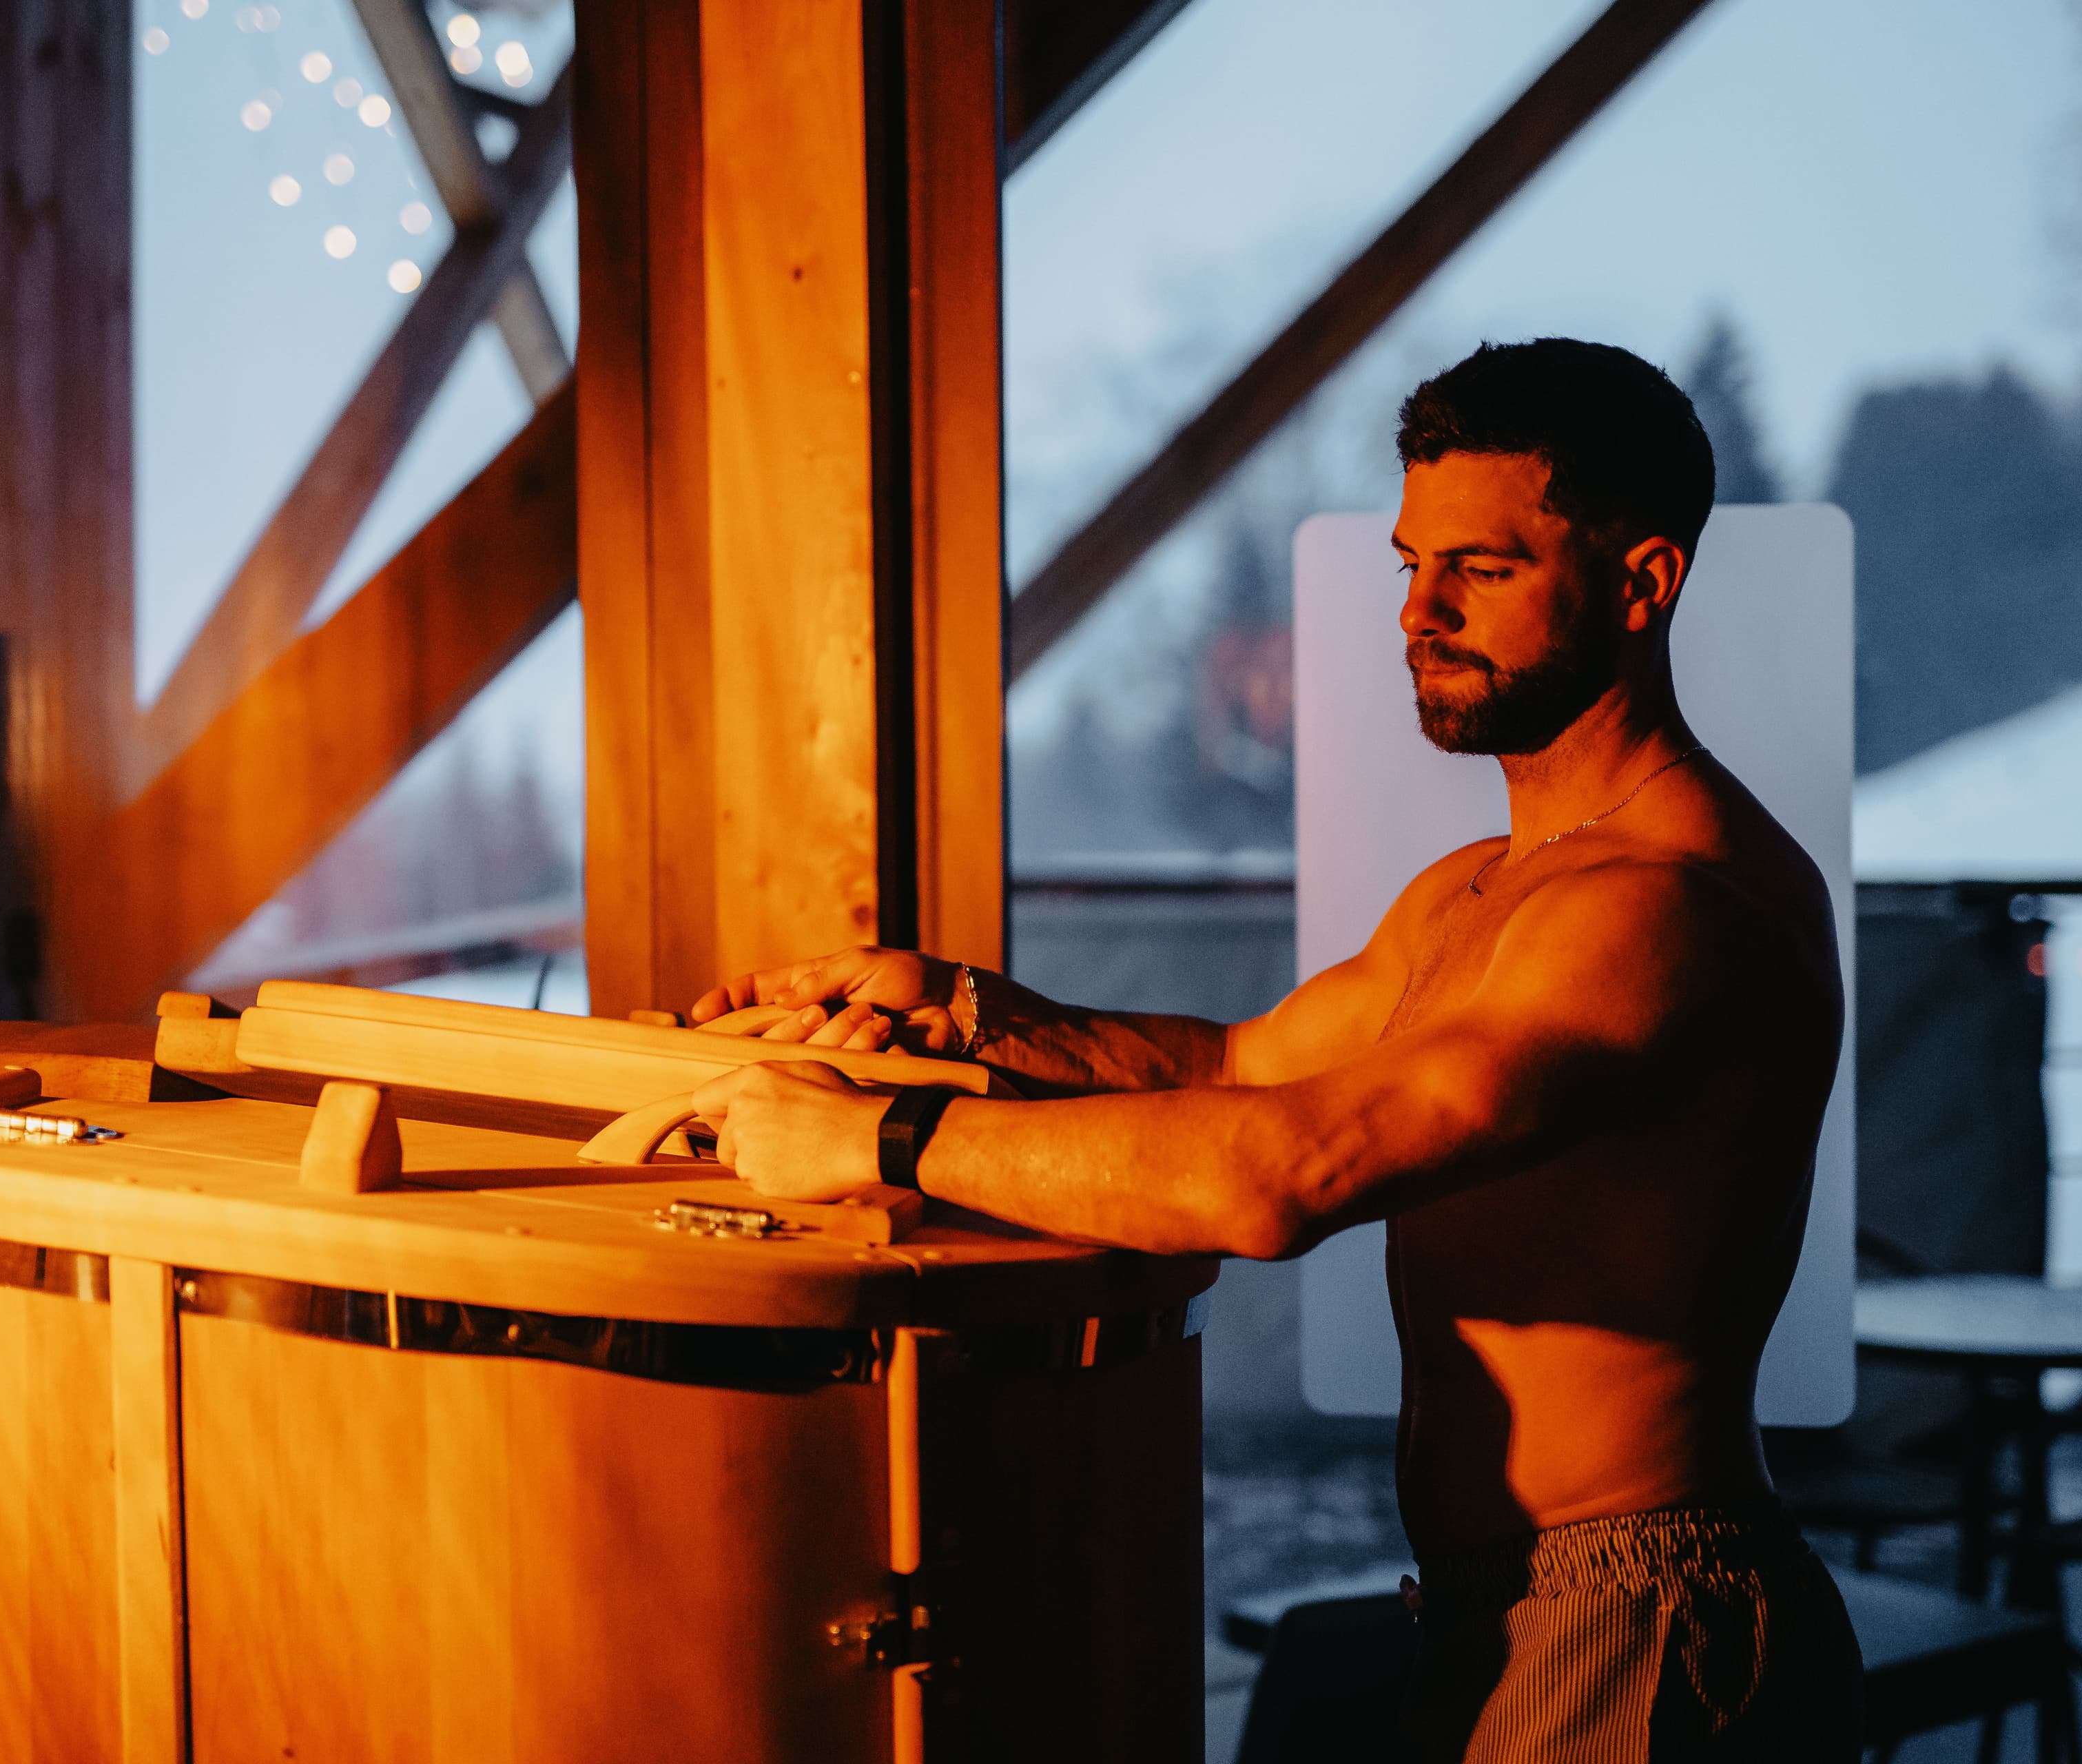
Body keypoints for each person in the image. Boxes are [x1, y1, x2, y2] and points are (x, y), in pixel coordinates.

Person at [686, 338, 1862, 1759]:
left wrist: (879, 1140)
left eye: (1479, 570)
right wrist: (967, 1011)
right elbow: (1246, 1067)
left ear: (1642, 580)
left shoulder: (1664, 905)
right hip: (1495, 1598)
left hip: (1641, 1609)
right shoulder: (1484, 886)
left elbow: (1285, 1173)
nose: (1420, 613)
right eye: (1409, 566)